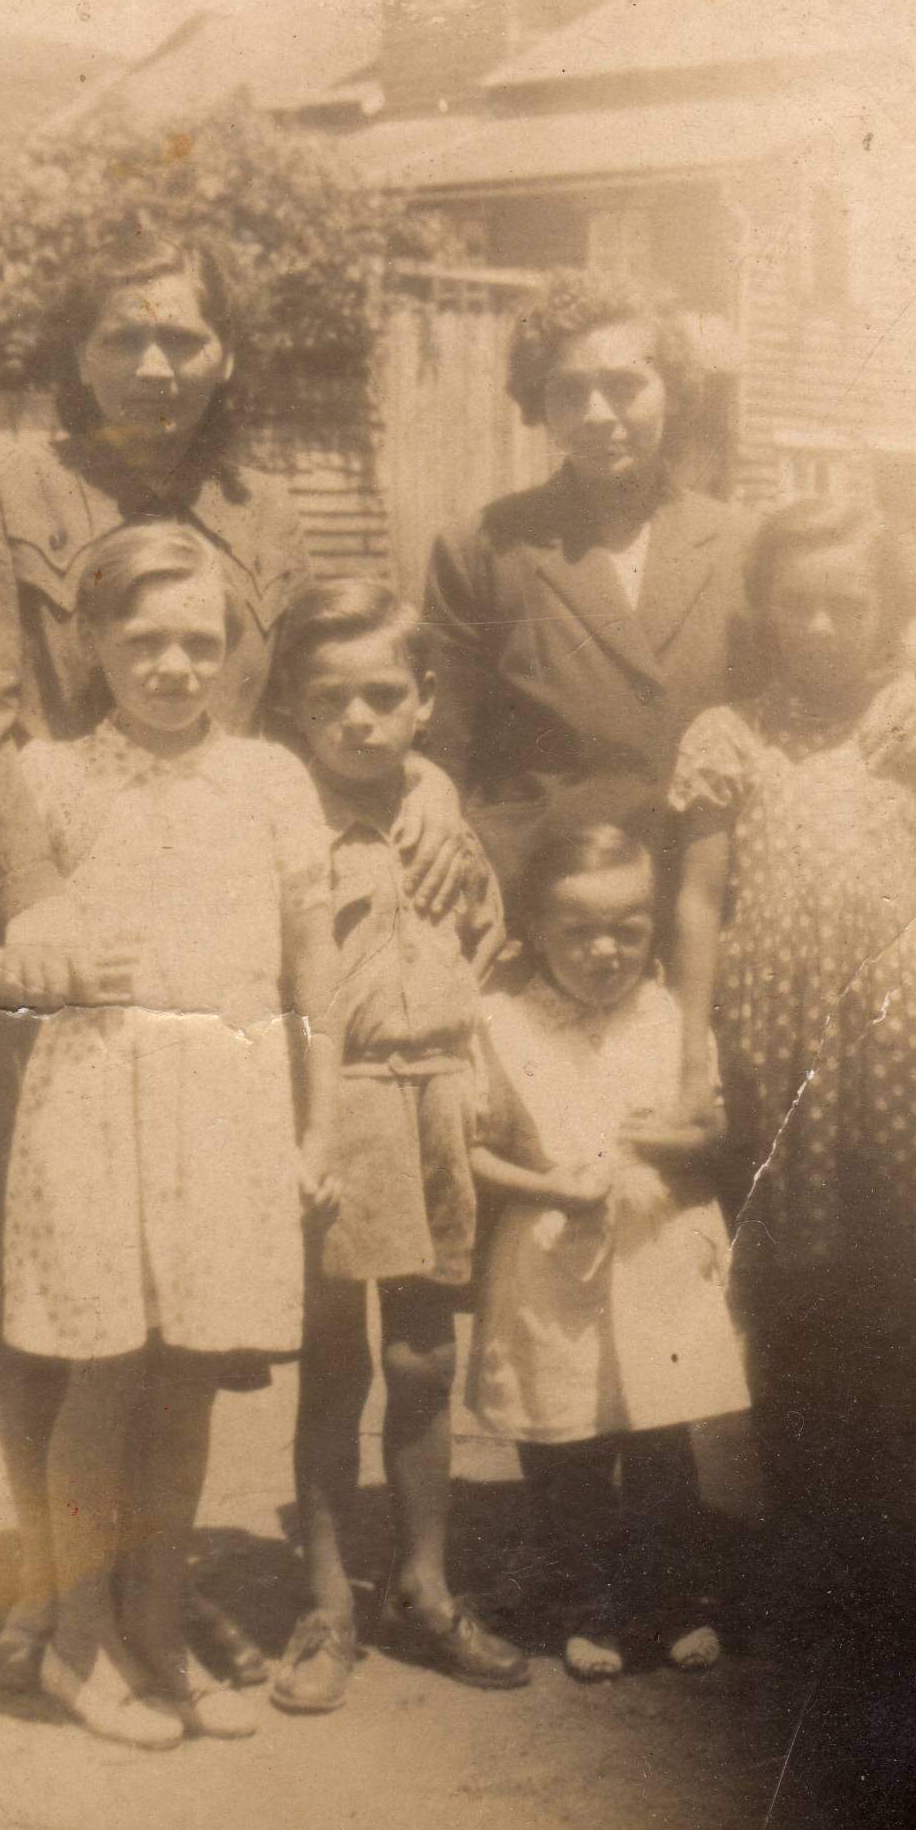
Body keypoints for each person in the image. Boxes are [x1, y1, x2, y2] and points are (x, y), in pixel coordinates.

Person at [0, 225, 464, 1694]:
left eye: (184, 337)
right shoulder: (2, 486)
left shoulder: (261, 512)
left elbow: (328, 688)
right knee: (46, 1291)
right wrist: (41, 905)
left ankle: (153, 1587)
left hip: (207, 954)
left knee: (174, 1294)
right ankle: (54, 1590)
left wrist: (427, 781)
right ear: (76, 353)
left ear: (226, 356)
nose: (155, 364)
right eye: (124, 335)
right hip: (40, 928)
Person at [0, 520, 338, 1747]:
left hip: (228, 1105)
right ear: (91, 641)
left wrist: (319, 1120)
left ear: (235, 647)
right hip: (96, 1101)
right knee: (103, 1375)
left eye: (201, 641)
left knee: (188, 1379)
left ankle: (155, 1625)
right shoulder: (46, 776)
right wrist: (32, 962)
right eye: (144, 641)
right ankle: (78, 1640)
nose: (175, 666)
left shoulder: (270, 779)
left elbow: (314, 960)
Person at [668, 497, 916, 1630]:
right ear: (762, 608)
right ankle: (797, 1543)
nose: (820, 625)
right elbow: (697, 902)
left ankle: (893, 1545)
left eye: (848, 603)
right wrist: (690, 1055)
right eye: (796, 602)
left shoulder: (910, 729)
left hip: (887, 1050)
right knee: (782, 1297)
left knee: (889, 1296)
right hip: (767, 1046)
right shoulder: (727, 736)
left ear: (888, 611)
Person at [263, 578, 528, 1714]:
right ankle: (328, 1601)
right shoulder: (281, 818)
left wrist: (444, 804)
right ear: (292, 709)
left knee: (425, 1354)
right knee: (334, 1359)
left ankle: (424, 1583)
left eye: (383, 696)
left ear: (424, 699)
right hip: (338, 1102)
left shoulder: (436, 807)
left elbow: (483, 941)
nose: (359, 722)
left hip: (438, 1098)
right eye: (329, 701)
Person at [468, 823, 749, 1680]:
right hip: (554, 1260)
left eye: (628, 929)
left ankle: (672, 1601)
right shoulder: (501, 1024)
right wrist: (549, 1185)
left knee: (662, 1442)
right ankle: (585, 1605)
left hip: (656, 1252)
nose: (604, 951)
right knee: (568, 1447)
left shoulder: (669, 1017)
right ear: (533, 929)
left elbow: (716, 1123)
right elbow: (468, 1150)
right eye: (578, 931)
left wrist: (678, 1138)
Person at [422, 269, 754, 896]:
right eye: (570, 392)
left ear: (673, 392)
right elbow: (443, 750)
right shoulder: (484, 548)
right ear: (539, 404)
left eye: (625, 386)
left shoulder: (745, 546)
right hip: (547, 896)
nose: (597, 415)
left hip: (705, 895)